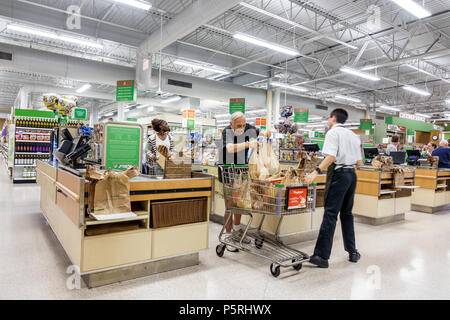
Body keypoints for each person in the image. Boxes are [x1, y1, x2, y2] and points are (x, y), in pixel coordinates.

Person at [305, 108, 363, 268]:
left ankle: (322, 256)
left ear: (333, 118)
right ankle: (352, 252)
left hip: (338, 175)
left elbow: (331, 157)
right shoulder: (353, 135)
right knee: (347, 214)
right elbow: (359, 162)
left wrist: (315, 172)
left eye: (329, 118)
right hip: (352, 175)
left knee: (330, 214)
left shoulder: (332, 133)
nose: (328, 122)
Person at [219, 112, 266, 252]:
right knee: (230, 205)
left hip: (241, 172)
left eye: (244, 124)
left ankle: (237, 231)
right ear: (231, 124)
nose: (242, 127)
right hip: (228, 172)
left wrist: (264, 134)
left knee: (239, 203)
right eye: (239, 125)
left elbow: (262, 131)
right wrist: (248, 144)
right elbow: (229, 148)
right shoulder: (226, 131)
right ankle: (228, 236)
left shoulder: (247, 128)